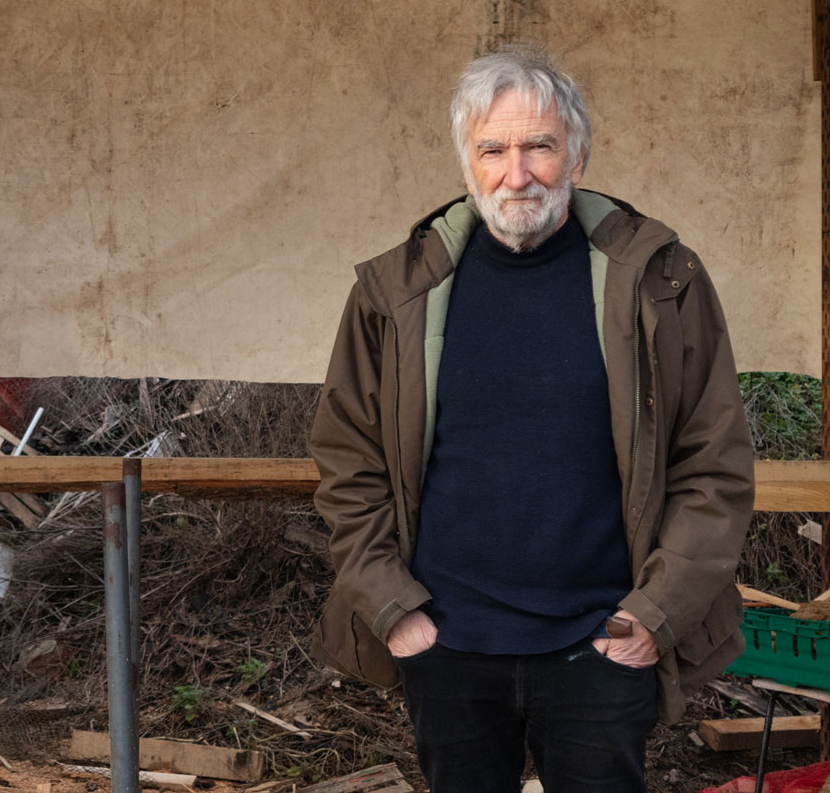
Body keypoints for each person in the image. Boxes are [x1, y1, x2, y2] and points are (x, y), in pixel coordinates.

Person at [307, 45, 756, 792]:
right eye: (494, 149)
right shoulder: (399, 292)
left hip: (603, 639)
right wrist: (394, 611)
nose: (517, 174)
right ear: (467, 162)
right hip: (447, 644)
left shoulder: (659, 282)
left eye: (539, 146)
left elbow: (714, 464)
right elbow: (346, 464)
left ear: (576, 156)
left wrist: (654, 613)